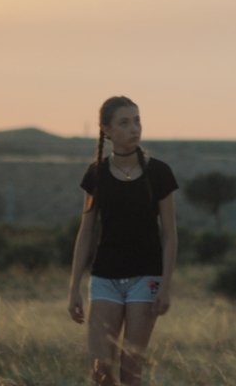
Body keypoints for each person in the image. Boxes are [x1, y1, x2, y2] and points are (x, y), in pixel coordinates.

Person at [67, 96, 178, 386]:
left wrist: (165, 286)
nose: (134, 128)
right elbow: (86, 231)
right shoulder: (96, 175)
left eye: (137, 120)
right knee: (100, 369)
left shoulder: (159, 173)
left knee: (131, 369)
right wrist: (74, 287)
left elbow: (169, 233)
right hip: (105, 278)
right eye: (125, 122)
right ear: (106, 130)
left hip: (146, 278)